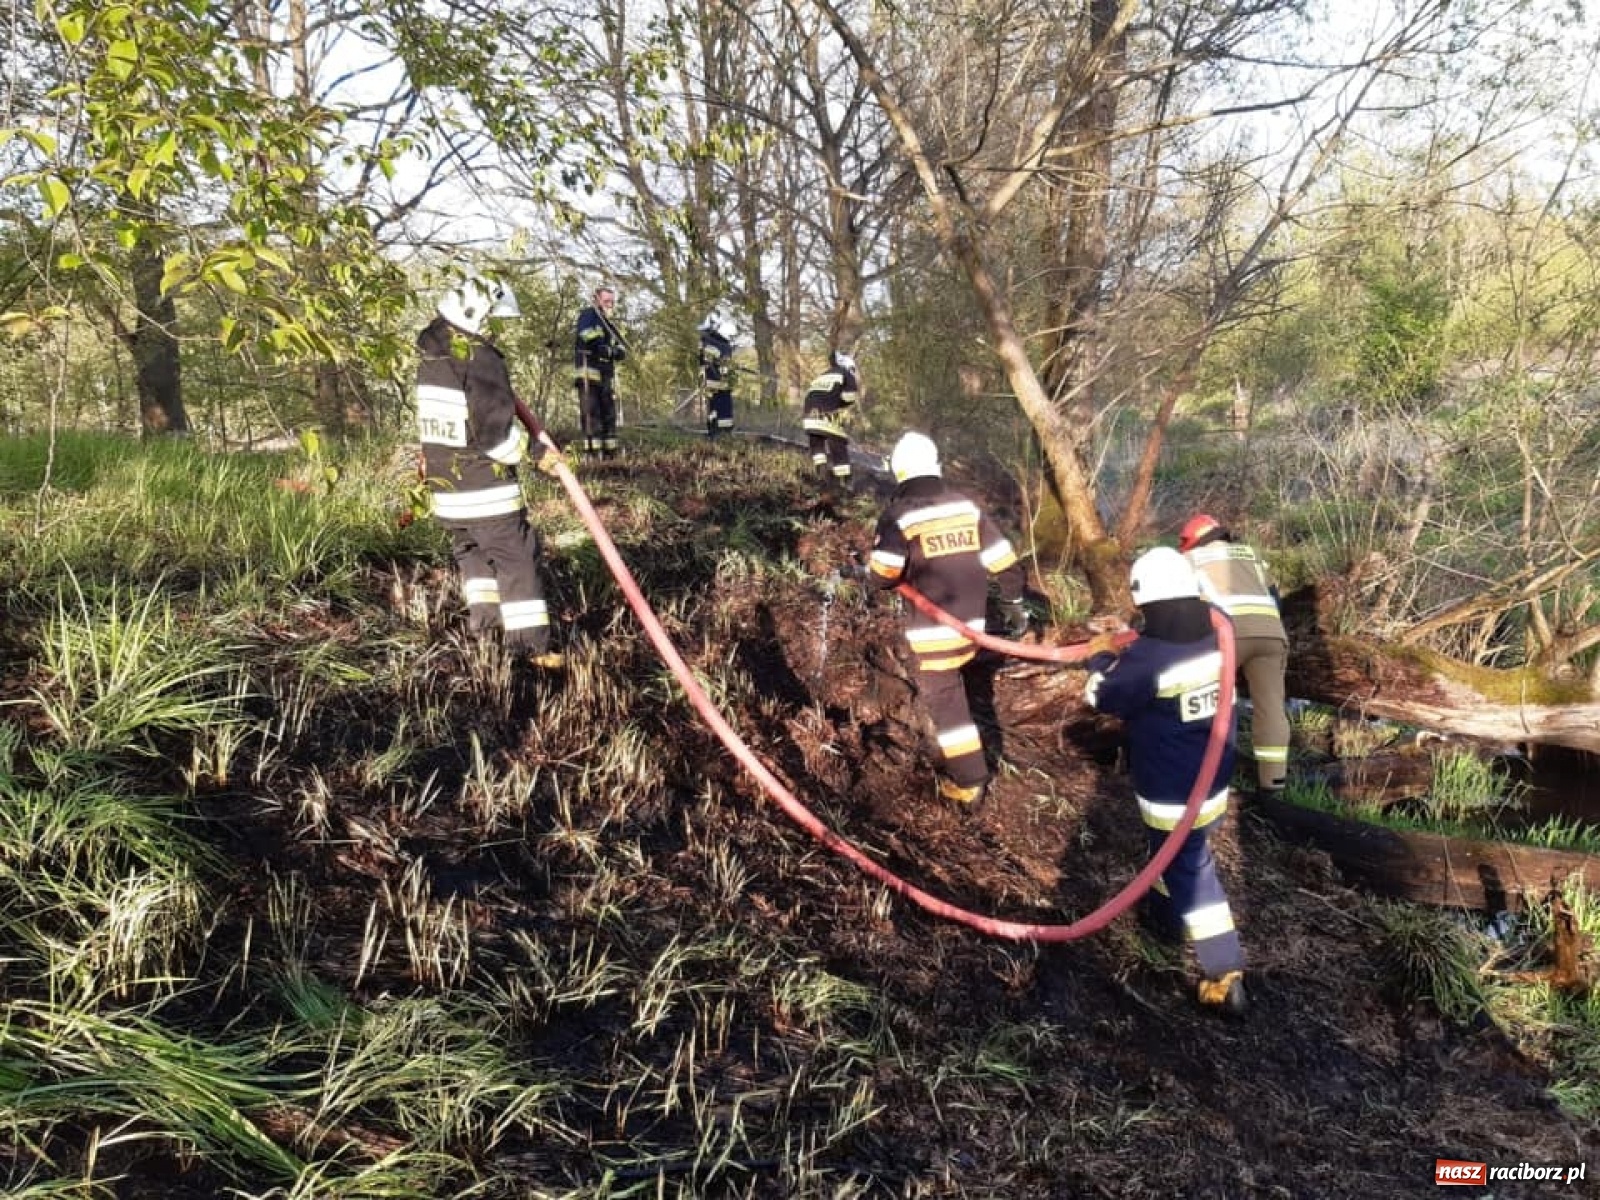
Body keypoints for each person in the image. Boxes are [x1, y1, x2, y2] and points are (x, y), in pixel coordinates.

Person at [1083, 546, 1246, 1015]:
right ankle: (1162, 920)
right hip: (1213, 778)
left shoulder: (1151, 659)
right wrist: (1126, 637)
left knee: (1191, 870)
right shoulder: (1219, 630)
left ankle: (1224, 971)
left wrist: (1098, 658)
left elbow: (1102, 696)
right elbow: (1188, 618)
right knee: (1171, 854)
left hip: (1172, 789)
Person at [865, 431, 1028, 810]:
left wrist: (875, 569)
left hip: (934, 633)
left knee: (947, 703)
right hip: (973, 627)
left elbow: (883, 575)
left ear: (899, 472)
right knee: (962, 681)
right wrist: (1015, 601)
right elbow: (1004, 559)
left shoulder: (900, 515)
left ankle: (970, 782)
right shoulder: (966, 507)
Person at [417, 276, 564, 669]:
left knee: (475, 561)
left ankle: (486, 634)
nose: (492, 329)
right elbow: (495, 435)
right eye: (491, 320)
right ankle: (532, 651)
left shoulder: (431, 353)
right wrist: (538, 454)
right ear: (474, 313)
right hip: (486, 492)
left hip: (446, 492)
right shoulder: (478, 359)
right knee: (517, 560)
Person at [1179, 513, 1290, 800]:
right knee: (1271, 709)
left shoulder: (1190, 560)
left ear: (1192, 541)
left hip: (1226, 636)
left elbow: (1180, 607)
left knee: (1210, 703)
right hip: (1272, 635)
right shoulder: (1252, 555)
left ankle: (1207, 777)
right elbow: (1276, 598)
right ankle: (1273, 785)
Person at [573, 285, 627, 460]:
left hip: (605, 375)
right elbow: (586, 334)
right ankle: (592, 453)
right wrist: (601, 347)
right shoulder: (589, 315)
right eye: (606, 301)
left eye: (612, 302)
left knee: (608, 413)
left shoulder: (608, 324)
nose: (610, 304)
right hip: (589, 372)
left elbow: (621, 346)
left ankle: (610, 451)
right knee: (591, 412)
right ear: (596, 300)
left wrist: (615, 351)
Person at [802, 348, 859, 498]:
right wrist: (841, 406)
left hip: (809, 417)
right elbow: (849, 397)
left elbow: (814, 395)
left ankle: (821, 474)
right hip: (827, 415)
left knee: (817, 444)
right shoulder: (846, 374)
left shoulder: (822, 376)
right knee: (838, 445)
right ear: (849, 367)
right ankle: (845, 483)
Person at [698, 313, 737, 438]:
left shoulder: (707, 342)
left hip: (711, 384)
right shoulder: (720, 344)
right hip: (720, 384)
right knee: (723, 410)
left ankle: (713, 433)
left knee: (713, 410)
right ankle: (723, 434)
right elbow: (722, 363)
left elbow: (706, 361)